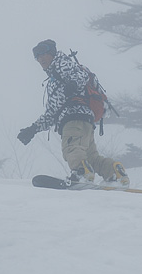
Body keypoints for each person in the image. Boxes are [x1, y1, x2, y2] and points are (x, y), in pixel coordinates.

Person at [17, 39, 130, 186]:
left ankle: (81, 173)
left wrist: (73, 84)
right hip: (85, 121)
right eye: (37, 56)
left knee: (71, 148)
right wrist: (32, 129)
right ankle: (114, 172)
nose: (40, 58)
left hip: (73, 118)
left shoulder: (61, 63)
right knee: (91, 157)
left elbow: (79, 75)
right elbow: (51, 113)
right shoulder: (53, 80)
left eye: (43, 53)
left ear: (52, 53)